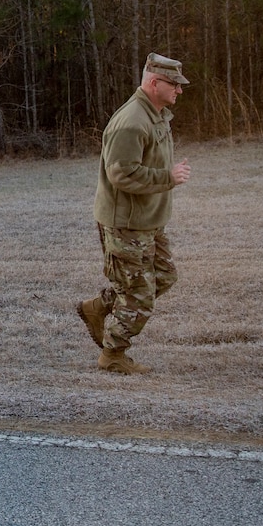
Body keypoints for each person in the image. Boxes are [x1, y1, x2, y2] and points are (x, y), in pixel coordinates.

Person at [77, 53, 192, 374]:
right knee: (140, 295)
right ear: (154, 83)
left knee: (164, 277)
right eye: (174, 85)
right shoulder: (131, 122)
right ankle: (113, 354)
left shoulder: (155, 114)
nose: (179, 91)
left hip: (148, 222)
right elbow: (122, 174)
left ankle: (97, 307)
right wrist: (167, 177)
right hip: (125, 224)